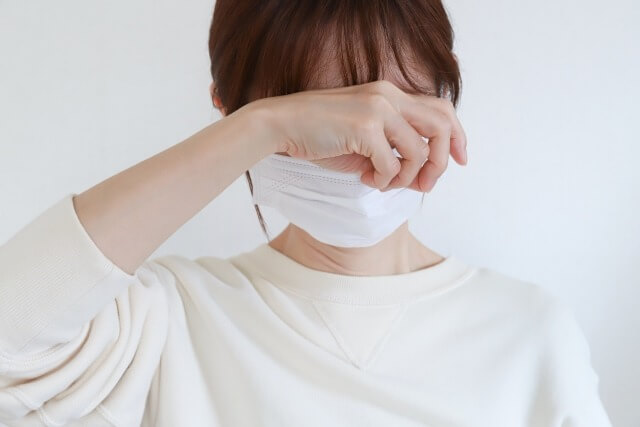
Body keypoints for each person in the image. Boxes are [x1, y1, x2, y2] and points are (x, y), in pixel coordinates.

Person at [0, 1, 611, 426]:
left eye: (393, 115)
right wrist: (267, 125)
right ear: (229, 117)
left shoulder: (528, 333)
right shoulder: (166, 322)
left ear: (442, 106)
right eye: (326, 123)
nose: (368, 156)